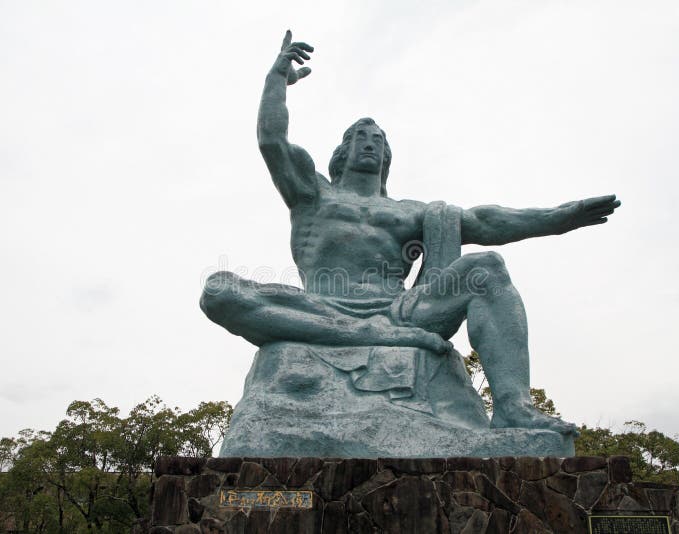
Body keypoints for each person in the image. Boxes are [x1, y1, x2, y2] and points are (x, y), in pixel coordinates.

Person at [201, 31, 620, 435]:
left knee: (487, 269)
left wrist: (559, 218)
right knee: (219, 290)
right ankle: (366, 336)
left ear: (387, 158)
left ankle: (514, 408)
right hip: (321, 306)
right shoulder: (313, 193)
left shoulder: (410, 213)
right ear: (342, 152)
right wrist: (277, 79)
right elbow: (272, 140)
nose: (370, 144)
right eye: (360, 138)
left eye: (379, 141)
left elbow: (486, 221)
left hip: (401, 312)